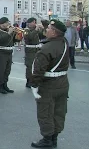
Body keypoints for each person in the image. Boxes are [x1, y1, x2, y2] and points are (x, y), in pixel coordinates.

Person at [30, 19, 69, 148]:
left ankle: (47, 140)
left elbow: (39, 69)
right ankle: (54, 138)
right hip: (63, 83)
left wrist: (34, 84)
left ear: (54, 33)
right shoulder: (64, 43)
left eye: (48, 29)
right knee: (59, 112)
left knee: (45, 112)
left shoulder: (47, 48)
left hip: (49, 84)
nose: (46, 30)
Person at [0, 17, 15, 94]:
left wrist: (14, 33)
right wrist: (9, 33)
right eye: (6, 23)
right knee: (1, 70)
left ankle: (5, 85)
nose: (8, 24)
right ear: (2, 23)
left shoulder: (9, 31)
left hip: (9, 53)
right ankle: (0, 86)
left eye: (8, 22)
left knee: (7, 70)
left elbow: (15, 40)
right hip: (1, 53)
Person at [23, 18, 43, 88]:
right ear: (29, 23)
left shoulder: (36, 30)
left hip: (37, 50)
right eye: (33, 22)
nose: (35, 23)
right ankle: (28, 81)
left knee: (36, 66)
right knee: (29, 66)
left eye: (35, 22)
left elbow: (43, 36)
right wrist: (36, 30)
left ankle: (34, 80)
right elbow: (30, 37)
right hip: (30, 51)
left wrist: (42, 29)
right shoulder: (26, 30)